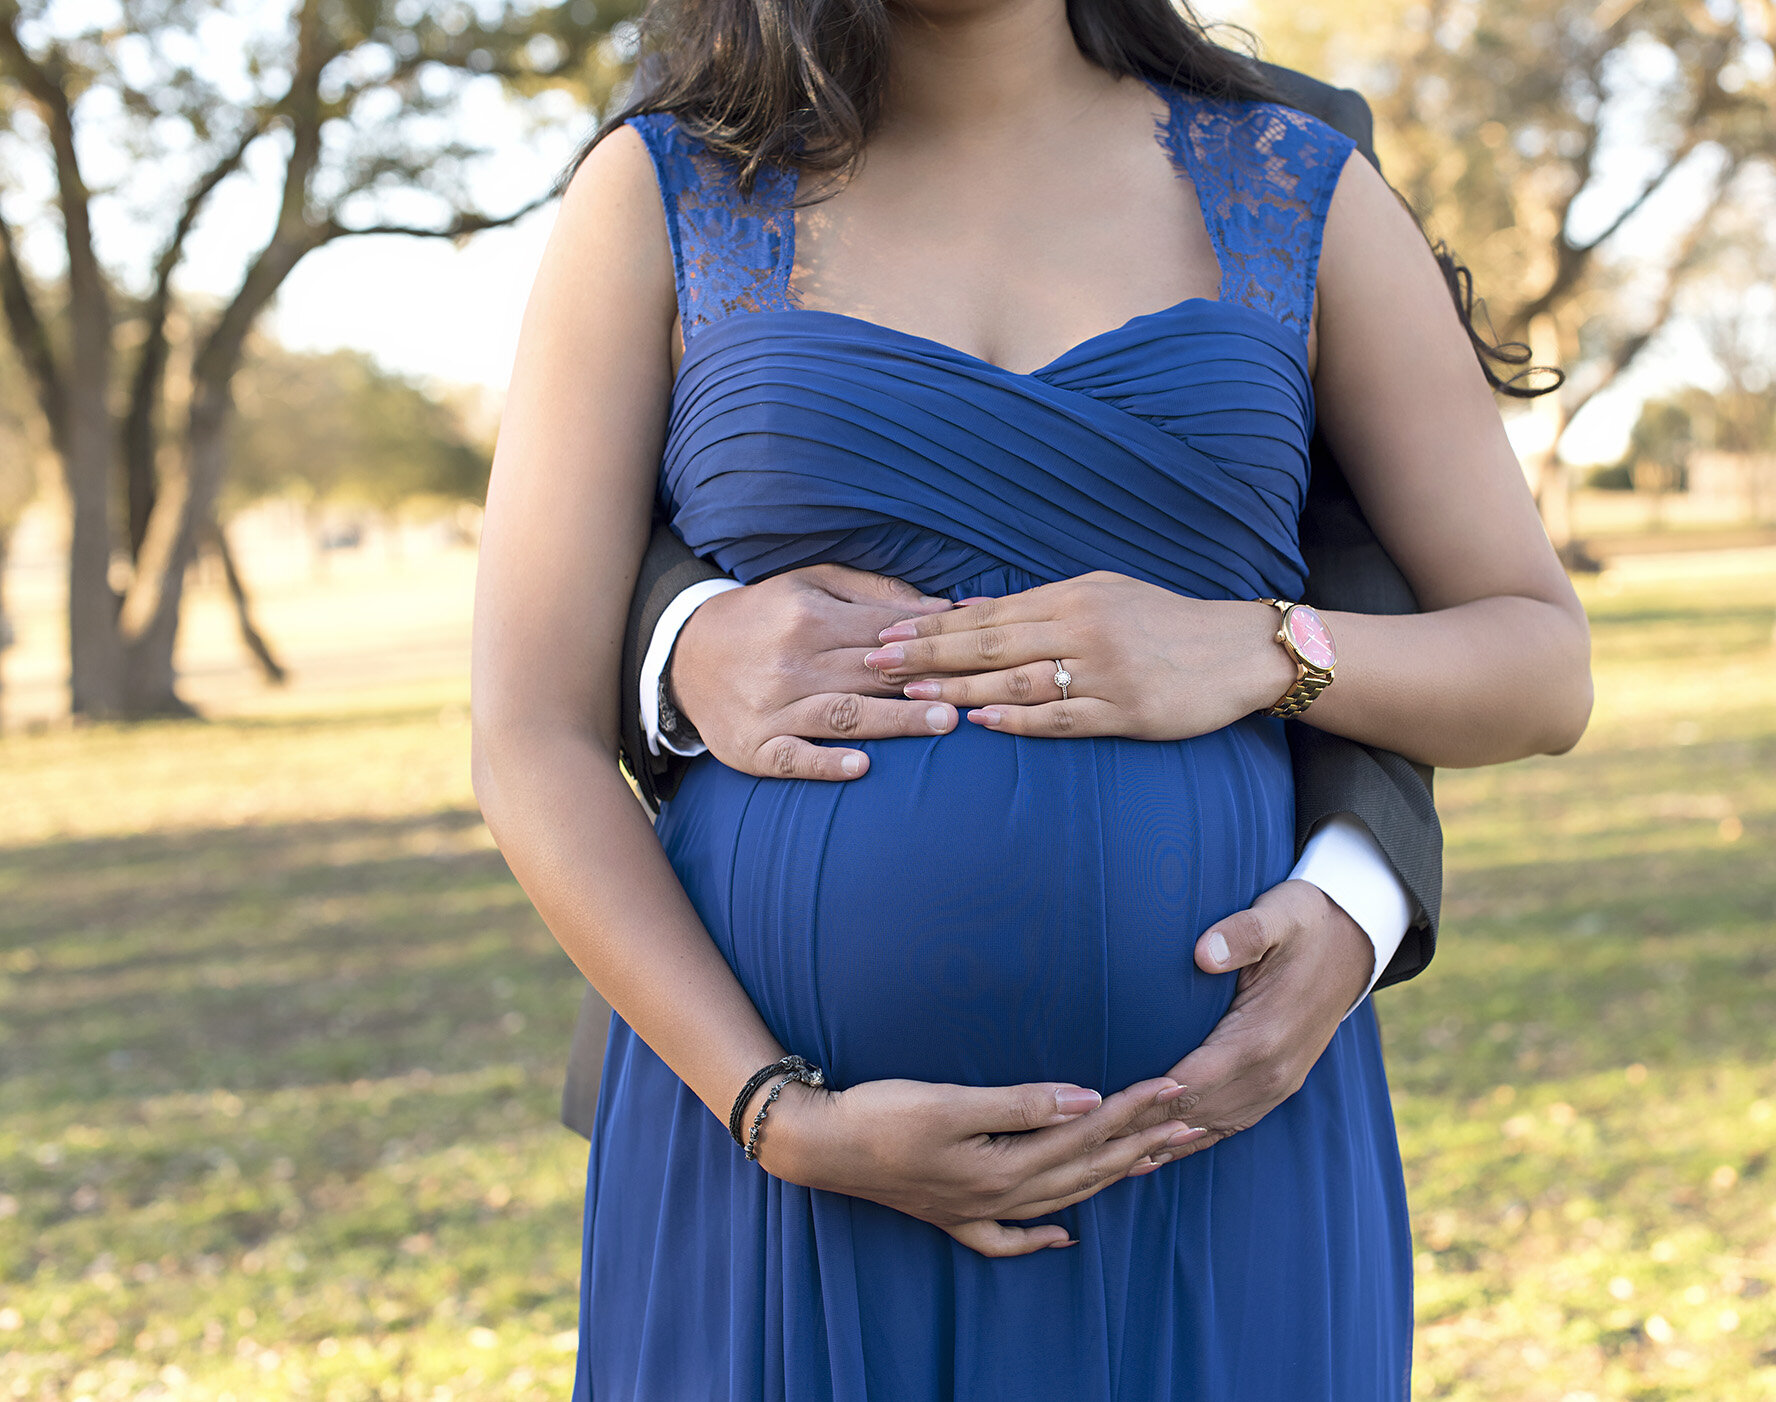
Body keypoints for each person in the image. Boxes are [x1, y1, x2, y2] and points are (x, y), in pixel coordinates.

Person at [471, 0, 1593, 1397]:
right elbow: (530, 728)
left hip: (1214, 1163)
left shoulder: (1297, 183)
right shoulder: (666, 188)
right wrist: (777, 1114)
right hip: (775, 1166)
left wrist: (1257, 646)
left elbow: (1541, 662)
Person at [556, 57, 1449, 1148]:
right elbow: (539, 657)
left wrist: (1353, 874)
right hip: (757, 1127)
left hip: (1220, 1125)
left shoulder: (1290, 165)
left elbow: (1408, 579)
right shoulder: (669, 162)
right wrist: (679, 638)